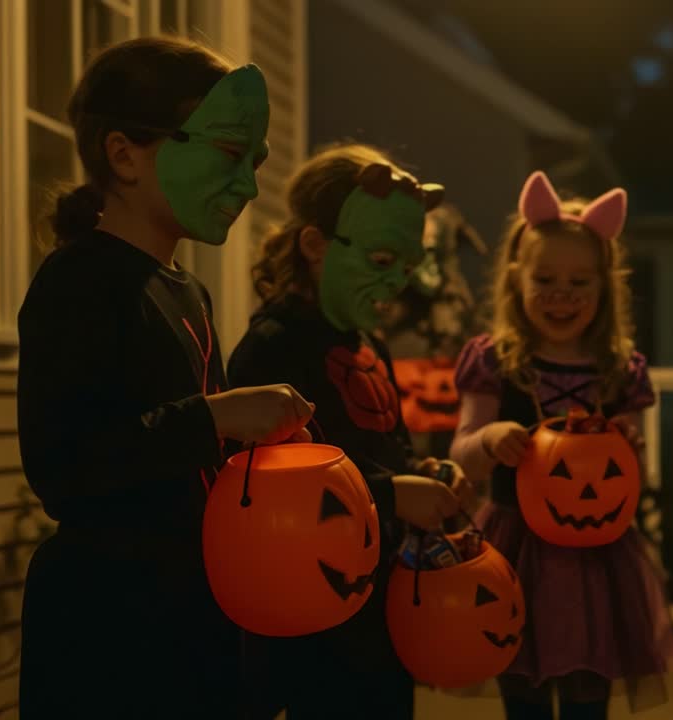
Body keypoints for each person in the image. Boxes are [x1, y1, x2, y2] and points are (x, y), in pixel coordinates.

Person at [17, 37, 313, 718]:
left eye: (256, 163)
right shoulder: (79, 281)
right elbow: (64, 467)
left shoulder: (189, 293)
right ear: (124, 154)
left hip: (192, 620)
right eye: (230, 154)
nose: (248, 186)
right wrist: (215, 418)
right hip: (111, 634)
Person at [227, 142, 473, 719]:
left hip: (378, 604)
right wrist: (393, 494)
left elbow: (387, 450)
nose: (395, 285)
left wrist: (423, 474)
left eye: (407, 268)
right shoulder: (273, 348)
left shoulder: (371, 345)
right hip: (310, 611)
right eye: (382, 261)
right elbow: (266, 491)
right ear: (315, 244)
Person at [449, 170, 673, 719]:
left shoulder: (619, 371)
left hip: (595, 559)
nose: (561, 294)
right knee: (522, 694)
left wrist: (627, 444)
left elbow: (636, 471)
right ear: (515, 280)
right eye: (545, 278)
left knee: (586, 694)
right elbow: (461, 451)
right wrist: (489, 439)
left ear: (605, 287)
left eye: (580, 283)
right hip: (514, 548)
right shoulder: (496, 362)